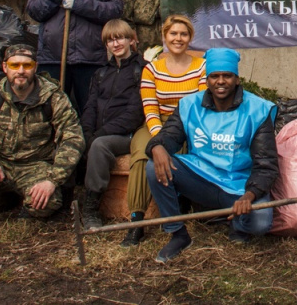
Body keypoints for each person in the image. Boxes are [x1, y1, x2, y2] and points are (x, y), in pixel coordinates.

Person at [145, 48, 278, 263]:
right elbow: (169, 135)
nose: (221, 81)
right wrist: (157, 146)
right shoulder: (189, 105)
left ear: (237, 79)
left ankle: (235, 223)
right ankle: (178, 234)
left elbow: (266, 164)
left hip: (239, 186)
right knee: (153, 166)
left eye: (227, 76)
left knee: (260, 223)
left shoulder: (257, 110)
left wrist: (249, 196)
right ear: (207, 80)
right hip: (202, 179)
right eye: (215, 76)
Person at [0, 44, 84, 244]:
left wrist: (52, 180)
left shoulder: (52, 97)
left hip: (34, 166)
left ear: (35, 67)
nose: (20, 71)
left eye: (26, 65)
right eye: (14, 65)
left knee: (48, 202)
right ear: (5, 67)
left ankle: (26, 207)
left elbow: (73, 138)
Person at [122, 14, 207, 247]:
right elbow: (150, 108)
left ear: (190, 38)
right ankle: (136, 220)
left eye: (183, 34)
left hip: (188, 123)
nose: (178, 38)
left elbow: (199, 105)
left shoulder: (201, 67)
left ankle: (181, 204)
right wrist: (160, 138)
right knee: (143, 154)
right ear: (165, 37)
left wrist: (179, 134)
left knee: (185, 151)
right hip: (156, 123)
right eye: (173, 33)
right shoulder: (152, 69)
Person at [79, 19, 147, 230]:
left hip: (128, 135)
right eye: (110, 40)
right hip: (100, 132)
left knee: (99, 146)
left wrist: (98, 135)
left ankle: (91, 208)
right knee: (75, 141)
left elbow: (134, 114)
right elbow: (90, 107)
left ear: (131, 40)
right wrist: (86, 133)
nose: (115, 44)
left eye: (120, 38)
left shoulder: (142, 70)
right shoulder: (101, 73)